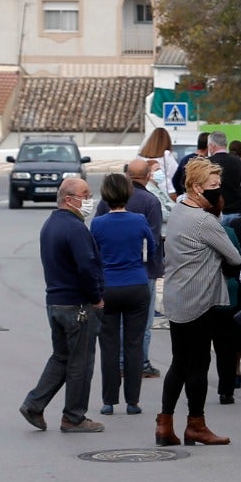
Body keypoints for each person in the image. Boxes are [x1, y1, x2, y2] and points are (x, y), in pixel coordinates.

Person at [154, 159, 240, 447]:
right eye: (213, 187)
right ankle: (196, 424)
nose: (218, 191)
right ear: (195, 187)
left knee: (179, 362)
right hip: (200, 300)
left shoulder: (179, 209)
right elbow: (234, 257)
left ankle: (165, 423)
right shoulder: (204, 221)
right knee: (199, 364)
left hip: (176, 296)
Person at [19, 177, 106, 434]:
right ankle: (74, 417)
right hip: (76, 305)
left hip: (55, 303)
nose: (89, 200)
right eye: (85, 194)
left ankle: (34, 404)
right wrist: (96, 297)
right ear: (69, 199)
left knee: (61, 357)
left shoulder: (51, 224)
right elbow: (87, 267)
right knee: (81, 362)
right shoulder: (75, 229)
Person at [91, 172, 159, 416]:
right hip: (136, 284)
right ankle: (133, 401)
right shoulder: (139, 220)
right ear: (128, 194)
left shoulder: (97, 224)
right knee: (134, 343)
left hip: (109, 286)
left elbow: (94, 257)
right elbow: (152, 249)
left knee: (109, 345)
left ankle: (109, 401)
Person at [97, 158, 167, 378]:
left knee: (115, 323)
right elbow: (153, 241)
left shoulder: (104, 202)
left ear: (126, 175)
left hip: (111, 273)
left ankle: (118, 363)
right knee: (142, 324)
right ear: (148, 176)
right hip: (143, 272)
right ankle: (141, 363)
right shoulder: (151, 202)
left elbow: (97, 241)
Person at [208, 132, 241, 222]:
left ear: (212, 145)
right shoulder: (237, 161)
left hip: (217, 211)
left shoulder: (208, 163)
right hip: (236, 208)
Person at [140, 127, 180, 205]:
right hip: (166, 193)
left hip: (146, 190)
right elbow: (176, 174)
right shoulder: (166, 155)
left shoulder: (141, 155)